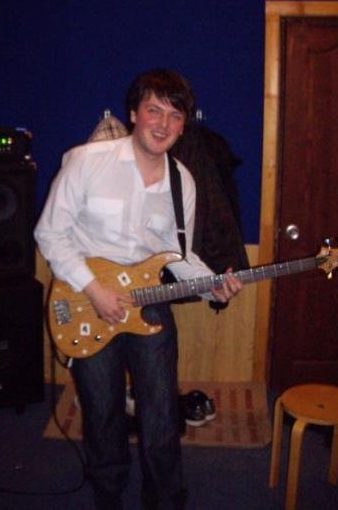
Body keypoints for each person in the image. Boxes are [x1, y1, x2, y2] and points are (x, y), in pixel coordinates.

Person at [34, 69, 242, 509]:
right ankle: (108, 493)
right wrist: (94, 289)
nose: (163, 124)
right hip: (87, 301)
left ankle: (164, 498)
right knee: (102, 410)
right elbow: (49, 233)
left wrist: (212, 287)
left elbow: (177, 254)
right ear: (133, 113)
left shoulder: (182, 180)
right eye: (154, 110)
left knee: (162, 410)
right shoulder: (87, 161)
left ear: (184, 125)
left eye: (175, 115)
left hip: (148, 303)